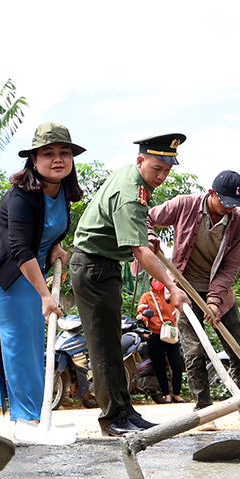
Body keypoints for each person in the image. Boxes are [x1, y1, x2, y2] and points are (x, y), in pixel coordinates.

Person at [70, 133, 191, 437]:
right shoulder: (131, 195)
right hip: (93, 267)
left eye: (167, 170)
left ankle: (125, 411)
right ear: (141, 161)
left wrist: (143, 236)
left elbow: (131, 232)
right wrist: (172, 287)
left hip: (103, 266)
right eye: (156, 169)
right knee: (104, 348)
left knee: (113, 345)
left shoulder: (130, 174)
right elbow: (140, 253)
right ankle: (112, 419)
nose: (161, 177)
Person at [0, 122, 83, 422]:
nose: (57, 159)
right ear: (34, 161)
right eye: (48, 153)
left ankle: (30, 409)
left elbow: (49, 225)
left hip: (32, 262)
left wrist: (55, 246)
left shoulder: (63, 190)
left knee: (34, 337)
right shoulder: (21, 196)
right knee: (20, 336)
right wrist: (45, 294)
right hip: (5, 267)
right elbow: (20, 249)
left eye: (64, 152)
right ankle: (28, 417)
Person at [147, 170, 240, 426]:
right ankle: (204, 411)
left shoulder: (238, 224)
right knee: (195, 351)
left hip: (218, 294)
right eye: (226, 202)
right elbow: (145, 217)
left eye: (235, 204)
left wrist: (215, 301)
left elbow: (230, 267)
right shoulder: (184, 204)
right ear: (211, 194)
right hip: (184, 290)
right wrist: (150, 236)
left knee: (237, 348)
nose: (230, 209)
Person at [135, 278, 183, 403]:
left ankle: (177, 394)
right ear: (150, 282)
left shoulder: (171, 296)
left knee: (177, 364)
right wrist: (142, 317)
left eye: (159, 279)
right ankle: (167, 395)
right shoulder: (146, 297)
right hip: (154, 335)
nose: (157, 282)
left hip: (170, 334)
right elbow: (141, 313)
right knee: (159, 366)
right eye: (154, 280)